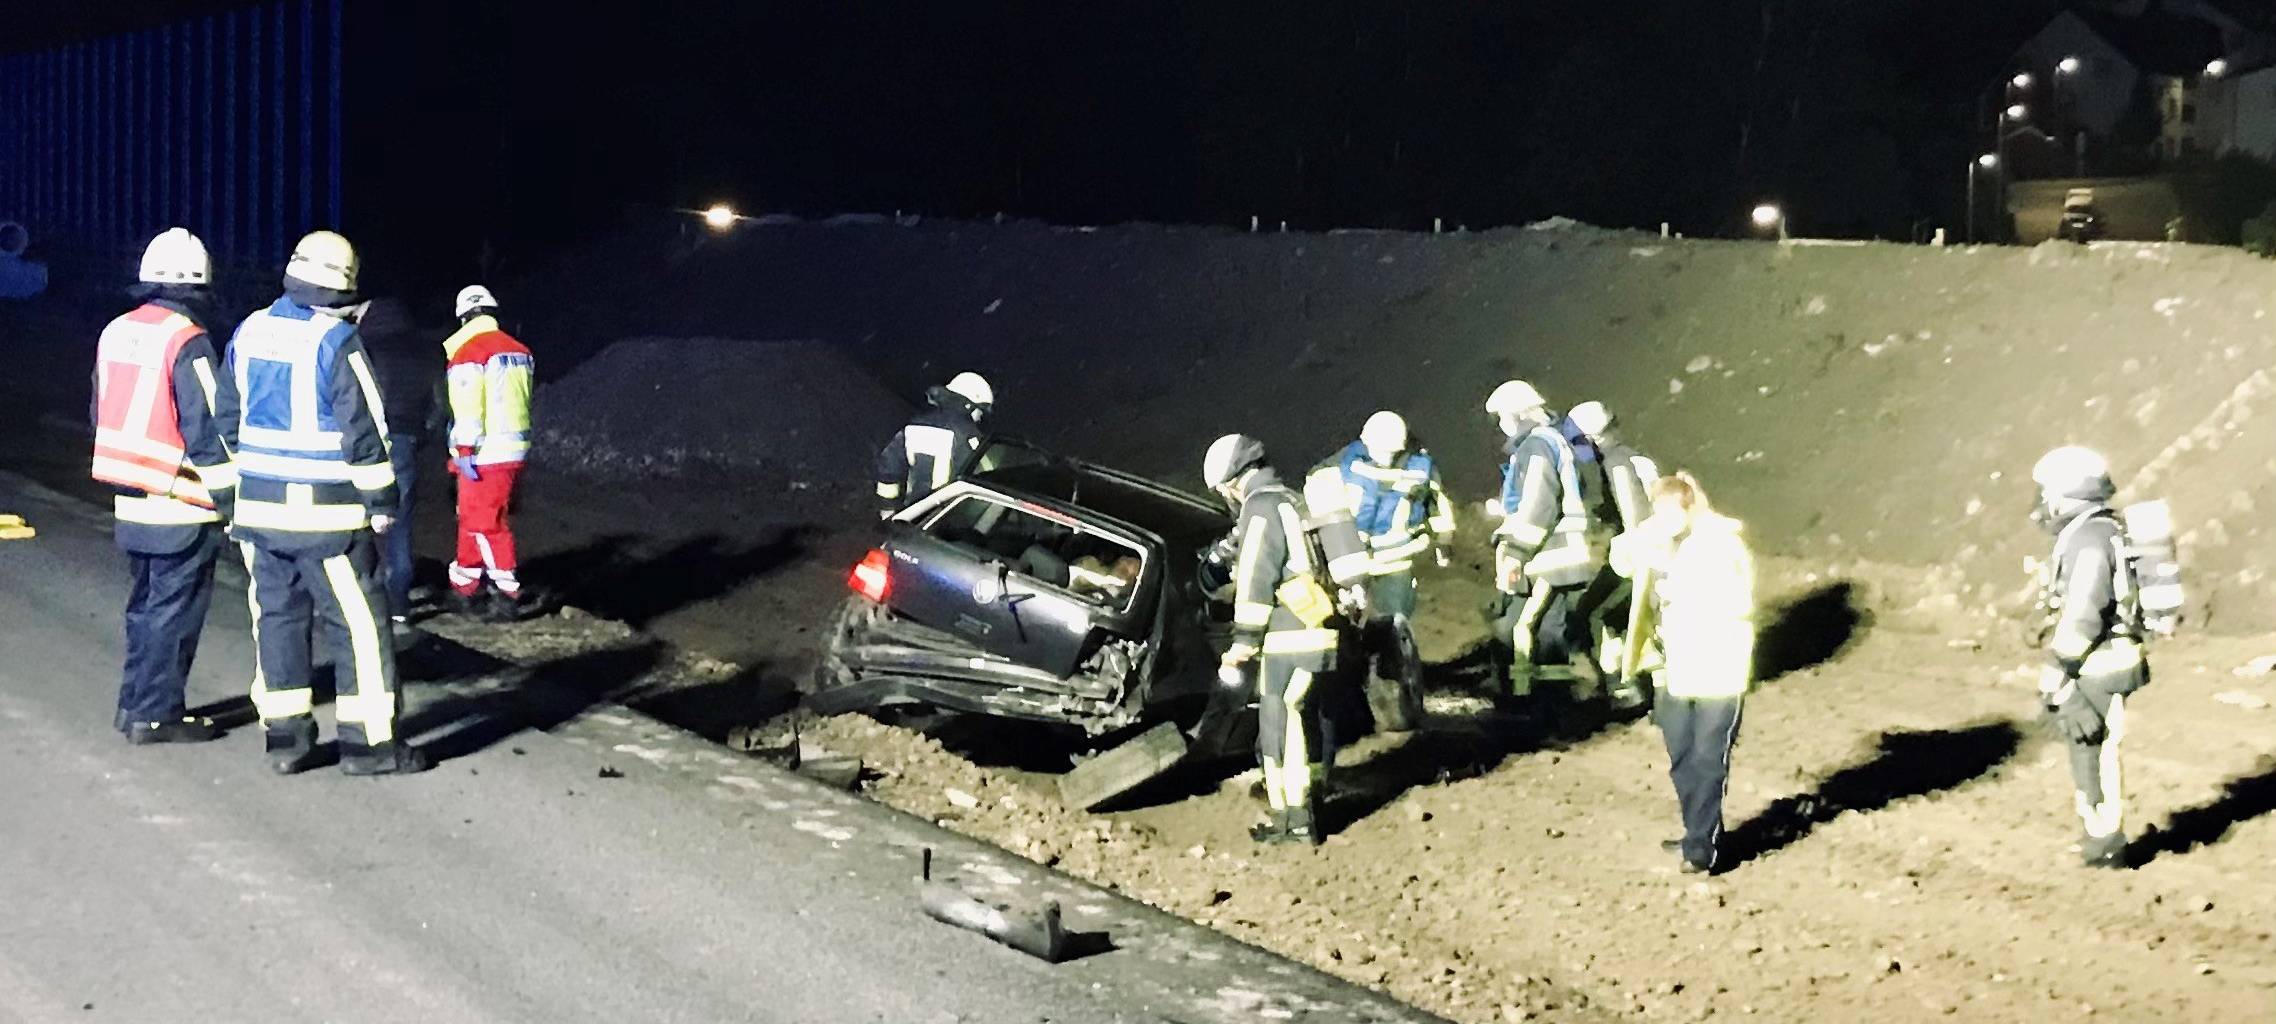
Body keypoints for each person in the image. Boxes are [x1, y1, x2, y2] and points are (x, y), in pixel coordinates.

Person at [227, 230, 426, 776]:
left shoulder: (249, 331)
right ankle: (371, 747)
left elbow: (226, 418)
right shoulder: (336, 343)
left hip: (260, 514)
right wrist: (382, 498)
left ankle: (286, 741)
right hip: (328, 518)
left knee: (278, 621)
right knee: (359, 626)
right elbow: (363, 431)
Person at [90, 228, 240, 744]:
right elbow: (207, 429)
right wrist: (233, 500)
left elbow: (98, 411)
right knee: (173, 618)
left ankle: (133, 705)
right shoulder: (187, 339)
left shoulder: (115, 331)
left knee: (144, 611)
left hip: (129, 497)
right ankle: (157, 716)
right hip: (181, 502)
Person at [1611, 471, 1753, 874]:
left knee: (1708, 760)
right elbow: (1620, 560)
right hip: (1675, 669)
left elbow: (1737, 601)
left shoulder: (1722, 544)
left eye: (1671, 508)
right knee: (1682, 758)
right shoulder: (1663, 540)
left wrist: (1676, 583)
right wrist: (1646, 536)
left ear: (1691, 506)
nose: (1665, 516)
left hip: (1718, 669)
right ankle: (1698, 831)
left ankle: (1701, 849)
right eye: (1659, 509)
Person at [1203, 433, 1342, 845]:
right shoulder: (1289, 499)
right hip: (1315, 626)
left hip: (1288, 634)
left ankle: (1293, 823)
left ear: (1231, 480)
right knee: (1305, 721)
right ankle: (1309, 808)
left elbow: (1256, 577)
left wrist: (1243, 640)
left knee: (1278, 725)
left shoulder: (1260, 508)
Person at [2027, 446, 2148, 869]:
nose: (2042, 503)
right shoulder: (2095, 532)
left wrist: (2058, 668)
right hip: (2101, 660)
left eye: (2047, 493)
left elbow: (2084, 612)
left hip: (2099, 664)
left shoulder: (2089, 539)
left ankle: (2106, 844)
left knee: (2093, 750)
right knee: (2088, 747)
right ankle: (2099, 836)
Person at [1311, 411, 1453, 730]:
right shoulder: (1340, 470)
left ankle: (1401, 700)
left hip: (1396, 562)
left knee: (1394, 630)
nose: (1386, 456)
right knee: (1351, 635)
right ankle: (1359, 695)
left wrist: (1445, 540)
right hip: (1354, 564)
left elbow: (1439, 506)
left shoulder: (1421, 467)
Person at [1484, 379, 1608, 727]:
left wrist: (1517, 553)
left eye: (1502, 417)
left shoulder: (1537, 447)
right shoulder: (1553, 440)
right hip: (1558, 554)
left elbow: (1538, 505)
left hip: (1547, 554)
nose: (1501, 425)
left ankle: (1534, 709)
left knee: (1523, 629)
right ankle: (1549, 707)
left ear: (1517, 414)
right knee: (1546, 630)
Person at [440, 285, 536, 621]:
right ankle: (464, 586)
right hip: (512, 448)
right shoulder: (519, 350)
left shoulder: (469, 351)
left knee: (484, 524)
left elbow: (468, 407)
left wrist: (464, 448)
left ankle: (506, 595)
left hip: (484, 451)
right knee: (472, 519)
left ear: (464, 317)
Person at [1567, 400, 1662, 711]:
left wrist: (1629, 547)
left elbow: (1632, 512)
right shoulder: (1634, 456)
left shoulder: (1617, 463)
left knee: (1594, 614)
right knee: (1623, 615)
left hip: (1638, 553)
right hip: (1653, 550)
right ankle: (1636, 681)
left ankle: (1624, 686)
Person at [356, 292, 443, 631]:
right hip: (406, 443)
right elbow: (439, 407)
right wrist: (419, 438)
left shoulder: (363, 349)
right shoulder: (427, 350)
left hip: (367, 445)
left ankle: (364, 600)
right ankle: (399, 609)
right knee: (401, 527)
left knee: (360, 522)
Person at [876, 372, 992, 519]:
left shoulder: (913, 426)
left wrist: (887, 509)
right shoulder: (970, 436)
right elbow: (986, 478)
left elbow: (888, 470)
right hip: (947, 522)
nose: (979, 417)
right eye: (979, 410)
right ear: (968, 405)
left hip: (912, 515)